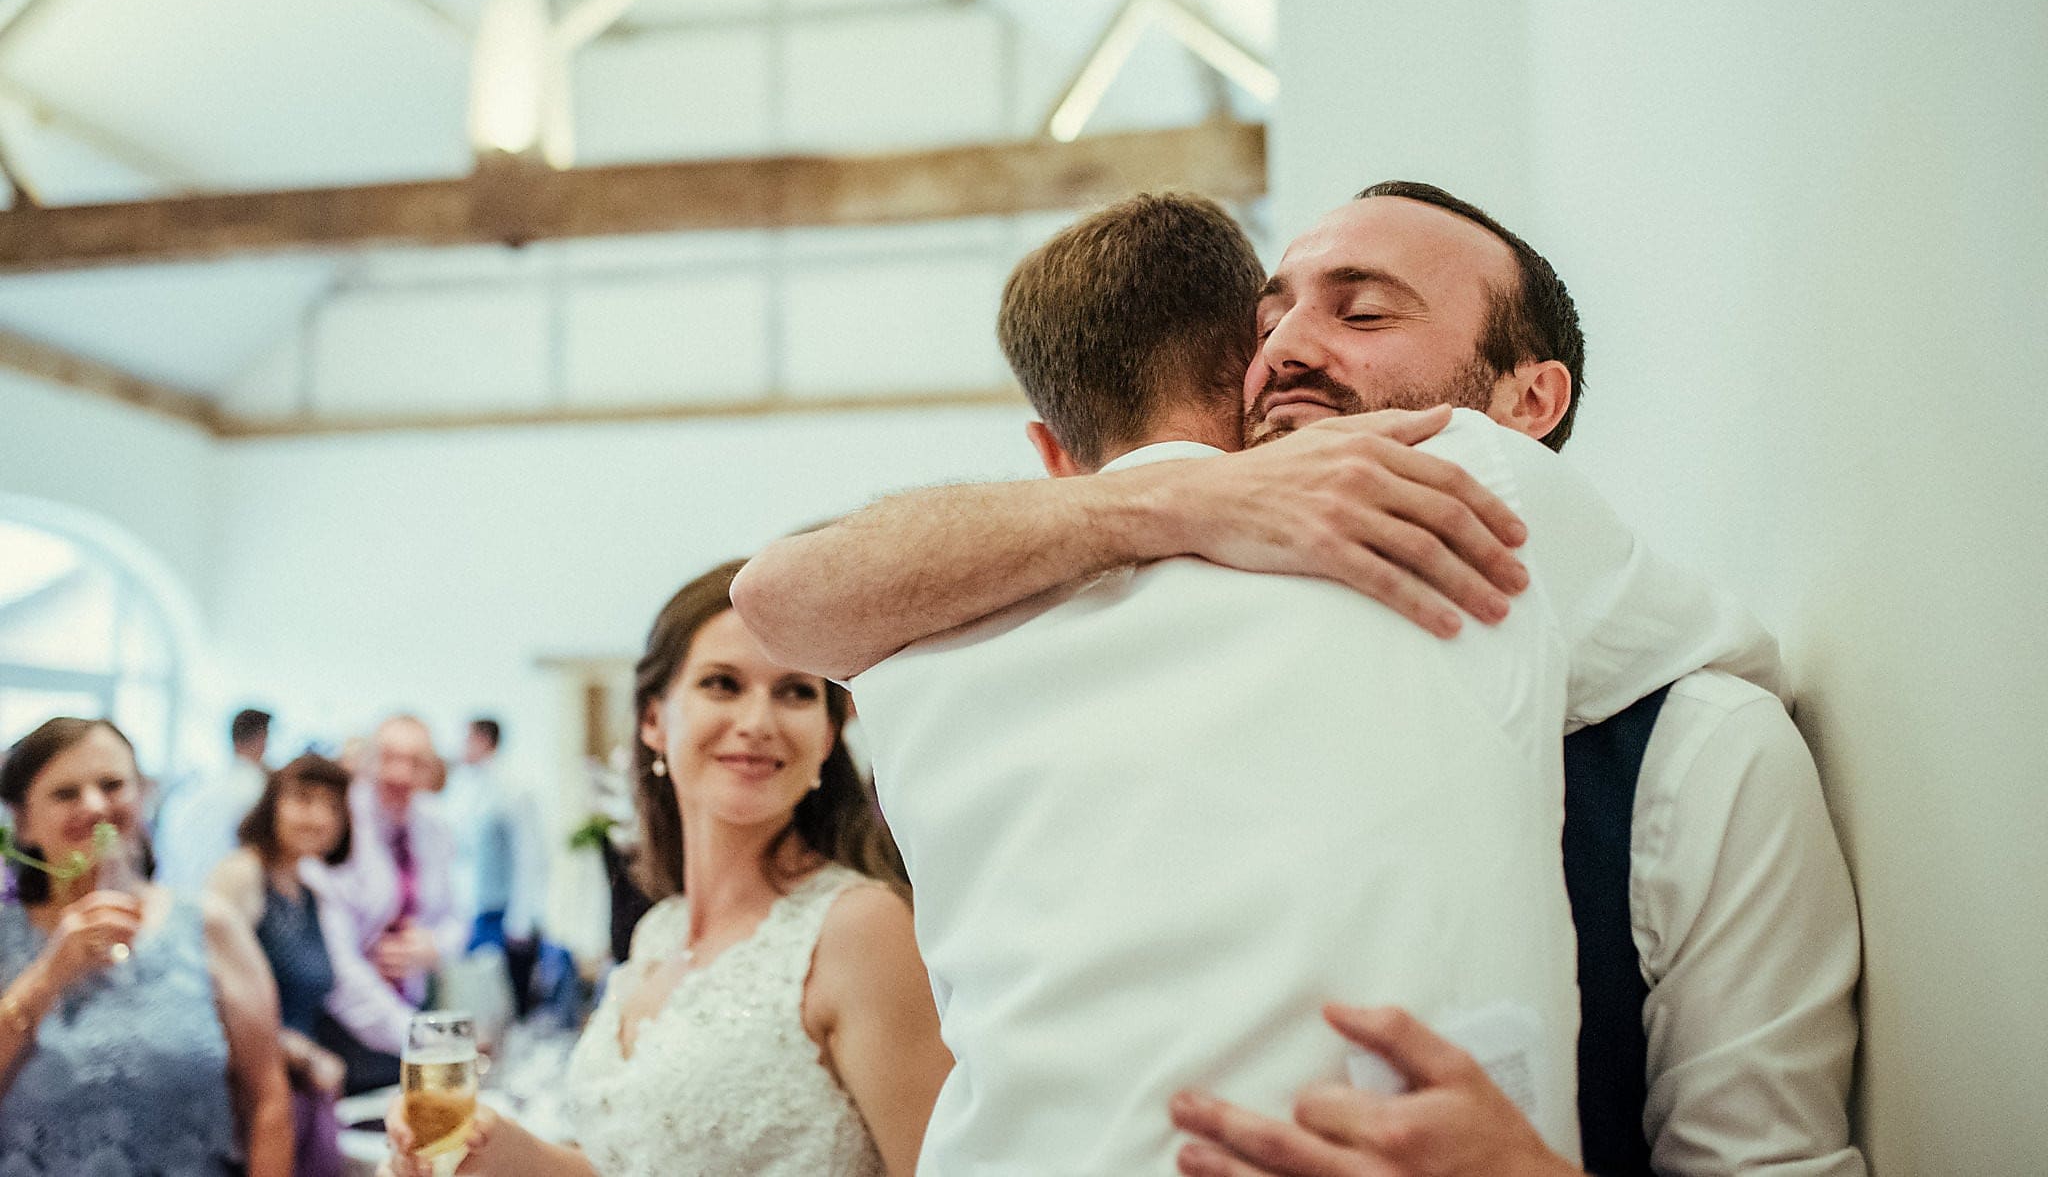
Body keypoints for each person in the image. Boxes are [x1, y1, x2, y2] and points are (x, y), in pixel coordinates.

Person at [738, 185, 1865, 1177]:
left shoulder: (1697, 749)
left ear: (1527, 404)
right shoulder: (1129, 653)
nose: (1281, 347)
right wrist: (1173, 500)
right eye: (1265, 315)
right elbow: (783, 597)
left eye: (1361, 310)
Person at [382, 561, 951, 1177]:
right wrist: (517, 1155)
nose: (758, 722)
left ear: (827, 735)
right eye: (723, 684)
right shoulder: (660, 931)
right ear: (653, 719)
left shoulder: (861, 929)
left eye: (796, 691)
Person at [0, 716, 292, 1177]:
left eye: (113, 785)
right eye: (66, 793)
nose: (95, 805)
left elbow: (267, 1100)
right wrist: (50, 973)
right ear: (24, 823)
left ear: (142, 795)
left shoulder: (209, 925)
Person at [210, 754, 363, 1177]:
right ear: (272, 804)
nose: (318, 817)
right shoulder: (241, 875)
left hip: (300, 1092)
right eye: (304, 800)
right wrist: (298, 1052)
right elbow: (209, 996)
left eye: (332, 806)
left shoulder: (308, 889)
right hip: (250, 1100)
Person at [305, 713, 462, 1094]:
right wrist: (421, 1038)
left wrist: (435, 946)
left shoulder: (435, 826)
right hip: (346, 1026)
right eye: (390, 757)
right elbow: (335, 962)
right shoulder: (337, 828)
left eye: (415, 763)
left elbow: (456, 916)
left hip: (413, 1010)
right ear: (367, 760)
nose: (401, 774)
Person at [442, 717, 545, 1014]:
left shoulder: (513, 788)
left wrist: (521, 920)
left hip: (506, 917)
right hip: (481, 912)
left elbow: (529, 856)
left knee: (508, 1005)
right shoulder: (473, 788)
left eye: (466, 739)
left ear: (483, 740)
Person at [154, 707, 272, 895]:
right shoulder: (258, 789)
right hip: (225, 902)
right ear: (262, 740)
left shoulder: (196, 786)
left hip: (175, 897)